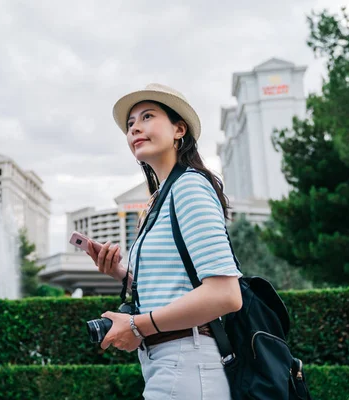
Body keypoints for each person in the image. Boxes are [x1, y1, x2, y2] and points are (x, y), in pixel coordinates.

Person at [86, 83, 242, 399]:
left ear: (178, 129)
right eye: (130, 125)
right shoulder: (163, 198)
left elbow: (226, 294)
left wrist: (136, 325)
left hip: (187, 362)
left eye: (147, 117)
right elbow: (176, 287)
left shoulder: (189, 187)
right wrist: (121, 274)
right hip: (169, 363)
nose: (135, 129)